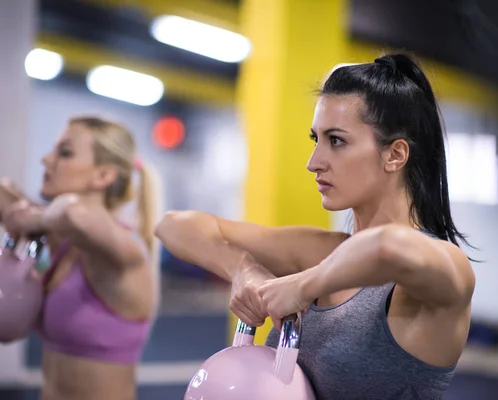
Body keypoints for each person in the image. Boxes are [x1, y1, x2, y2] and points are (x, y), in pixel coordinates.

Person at [155, 53, 476, 400]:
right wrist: (244, 271)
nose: (313, 163)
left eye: (336, 141)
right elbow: (173, 226)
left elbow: (388, 247)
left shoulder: (446, 271)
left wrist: (304, 285)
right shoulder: (319, 251)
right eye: (316, 140)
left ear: (395, 154)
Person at [0, 116, 161, 400]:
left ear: (103, 176)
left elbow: (71, 214)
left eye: (64, 153)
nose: (46, 160)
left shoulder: (124, 251)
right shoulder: (61, 238)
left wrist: (31, 218)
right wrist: (27, 215)